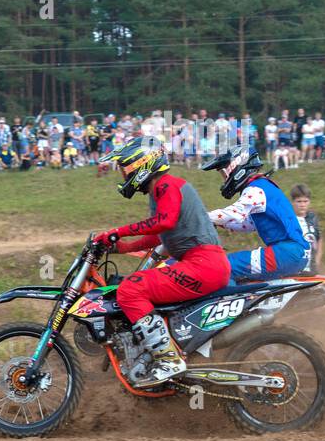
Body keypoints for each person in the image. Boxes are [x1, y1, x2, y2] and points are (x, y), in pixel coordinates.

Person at [94, 140, 230, 387]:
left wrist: (118, 232)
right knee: (139, 287)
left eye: (125, 168)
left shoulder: (167, 185)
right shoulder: (161, 190)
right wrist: (123, 247)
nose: (124, 175)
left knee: (130, 288)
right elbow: (158, 234)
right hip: (204, 264)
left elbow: (164, 222)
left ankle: (168, 359)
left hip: (203, 264)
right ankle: (160, 352)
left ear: (141, 165)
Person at [202, 146, 310, 281]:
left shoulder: (255, 189)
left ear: (238, 166)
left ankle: (230, 301)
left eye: (224, 172)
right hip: (294, 254)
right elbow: (247, 224)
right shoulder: (262, 186)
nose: (224, 179)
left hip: (286, 253)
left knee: (223, 266)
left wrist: (201, 218)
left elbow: (234, 213)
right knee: (235, 266)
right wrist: (219, 223)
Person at [289, 184, 322, 276]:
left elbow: (319, 240)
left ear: (309, 201)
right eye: (299, 201)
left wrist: (317, 261)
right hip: (293, 270)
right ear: (292, 202)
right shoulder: (288, 219)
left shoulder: (312, 218)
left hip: (311, 269)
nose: (302, 205)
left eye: (305, 201)